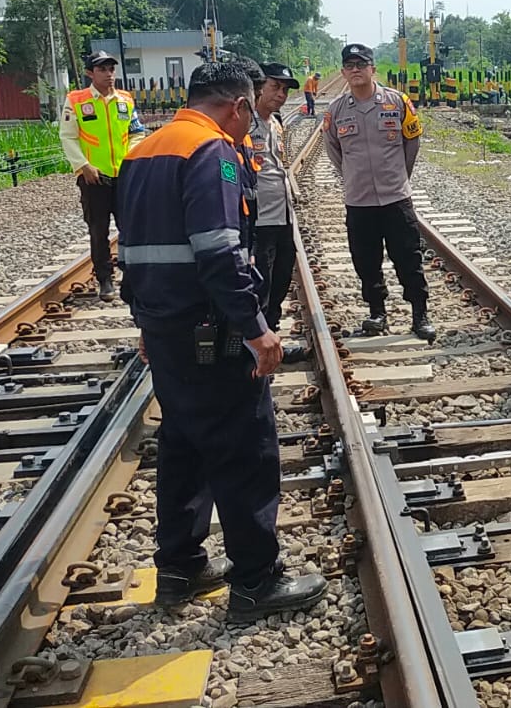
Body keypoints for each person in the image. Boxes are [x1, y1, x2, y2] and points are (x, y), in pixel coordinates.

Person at [115, 62, 328, 622]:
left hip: (165, 329)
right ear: (236, 106)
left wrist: (145, 320)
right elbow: (219, 253)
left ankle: (179, 568)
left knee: (183, 448)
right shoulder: (212, 153)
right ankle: (256, 582)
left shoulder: (142, 150)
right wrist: (257, 330)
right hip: (211, 332)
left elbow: (133, 250)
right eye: (247, 112)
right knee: (245, 452)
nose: (246, 126)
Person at [323, 44, 435, 340]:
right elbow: (333, 150)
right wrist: (351, 177)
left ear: (373, 69)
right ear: (343, 72)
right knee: (365, 260)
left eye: (362, 64)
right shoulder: (336, 111)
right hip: (359, 202)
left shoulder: (397, 102)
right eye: (350, 65)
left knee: (408, 257)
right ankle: (377, 312)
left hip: (395, 198)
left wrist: (400, 175)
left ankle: (419, 314)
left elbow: (412, 141)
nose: (356, 70)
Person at [59, 51, 144, 302]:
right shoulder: (76, 100)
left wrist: (131, 157)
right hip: (94, 178)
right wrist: (83, 165)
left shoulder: (125, 100)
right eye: (103, 70)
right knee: (98, 231)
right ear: (90, 73)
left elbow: (136, 132)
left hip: (123, 176)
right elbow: (68, 136)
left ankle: (131, 276)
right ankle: (105, 279)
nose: (109, 75)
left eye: (111, 69)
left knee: (130, 229)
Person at [249, 62, 310, 364]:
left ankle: (272, 336)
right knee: (260, 281)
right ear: (259, 87)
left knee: (282, 277)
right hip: (258, 218)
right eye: (276, 87)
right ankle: (257, 344)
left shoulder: (275, 122)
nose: (281, 95)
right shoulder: (245, 124)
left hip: (282, 215)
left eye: (285, 90)